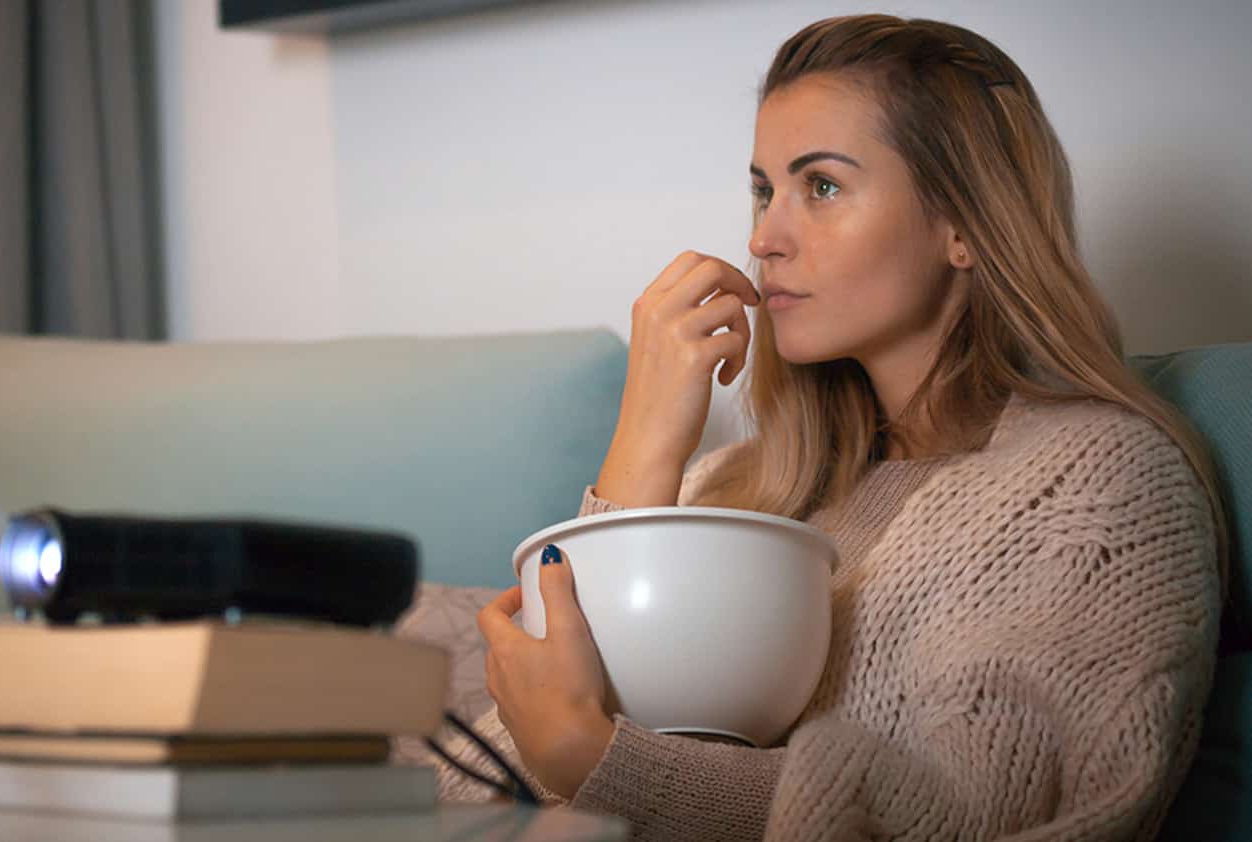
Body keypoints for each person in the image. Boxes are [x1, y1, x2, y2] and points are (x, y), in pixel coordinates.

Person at [433, 13, 1229, 842]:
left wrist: (608, 764)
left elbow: (988, 813)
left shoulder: (1101, 485)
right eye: (763, 188)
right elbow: (485, 777)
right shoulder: (732, 485)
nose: (763, 237)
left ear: (963, 223)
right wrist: (643, 452)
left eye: (820, 186)